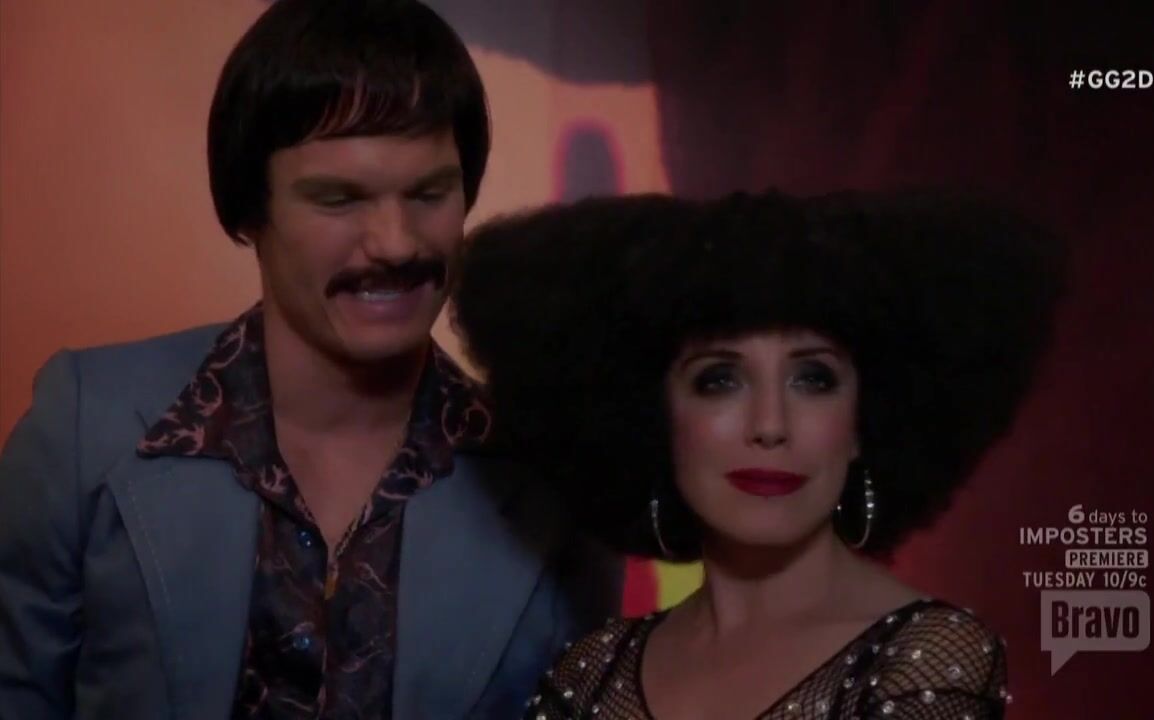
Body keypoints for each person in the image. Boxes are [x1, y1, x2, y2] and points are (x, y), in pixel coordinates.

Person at [0, 1, 620, 718]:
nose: (396, 242)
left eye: (429, 194)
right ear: (250, 211)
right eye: (339, 200)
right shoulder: (88, 428)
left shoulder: (547, 484)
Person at [452, 189, 1065, 719]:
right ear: (654, 418)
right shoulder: (591, 671)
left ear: (865, 420)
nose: (770, 425)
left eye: (814, 379)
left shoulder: (925, 656)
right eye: (719, 380)